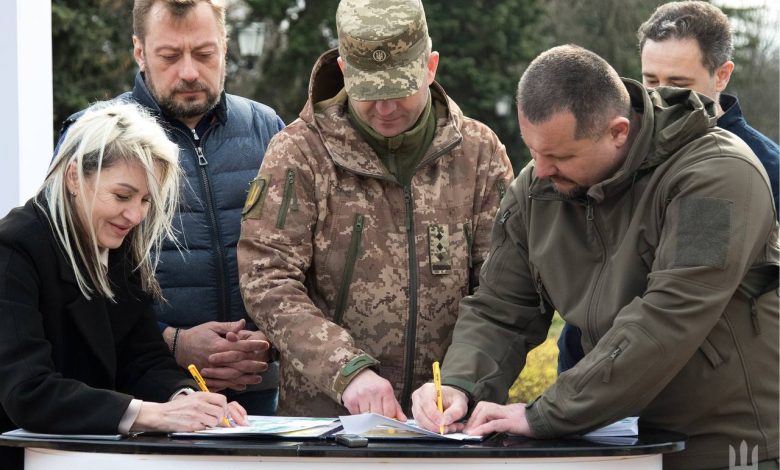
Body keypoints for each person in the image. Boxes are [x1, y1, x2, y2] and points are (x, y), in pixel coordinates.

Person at [411, 45, 778, 469]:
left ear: (618, 132)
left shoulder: (718, 179)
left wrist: (545, 414)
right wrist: (461, 386)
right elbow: (500, 309)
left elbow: (672, 315)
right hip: (612, 444)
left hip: (725, 447)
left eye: (561, 156)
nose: (541, 171)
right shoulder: (538, 189)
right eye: (533, 151)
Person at [237, 0, 513, 418]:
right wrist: (345, 370)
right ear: (345, 72)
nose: (385, 109)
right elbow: (267, 279)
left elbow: (502, 289)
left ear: (430, 66)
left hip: (452, 424)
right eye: (370, 93)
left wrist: (460, 381)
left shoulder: (479, 153)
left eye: (399, 89)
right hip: (329, 425)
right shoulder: (300, 153)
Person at [58, 0, 284, 415]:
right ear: (139, 52)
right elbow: (70, 281)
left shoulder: (266, 127)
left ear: (226, 47)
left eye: (204, 54)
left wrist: (275, 339)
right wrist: (172, 342)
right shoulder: (94, 136)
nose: (189, 72)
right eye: (169, 56)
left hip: (264, 399)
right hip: (145, 398)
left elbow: (301, 259)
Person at [0, 102, 248, 470]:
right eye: (122, 196)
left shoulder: (115, 245)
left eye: (146, 200)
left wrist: (189, 400)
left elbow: (143, 356)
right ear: (73, 177)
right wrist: (151, 415)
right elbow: (28, 391)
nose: (135, 216)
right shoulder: (13, 250)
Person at [557, 0, 780, 378]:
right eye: (650, 81)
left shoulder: (763, 169)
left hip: (706, 390)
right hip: (591, 375)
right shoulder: (617, 151)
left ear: (722, 75)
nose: (661, 98)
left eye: (679, 84)